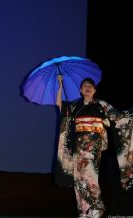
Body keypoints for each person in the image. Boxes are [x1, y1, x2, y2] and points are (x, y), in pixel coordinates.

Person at [55, 75, 133, 218]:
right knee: (79, 177)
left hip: (93, 146)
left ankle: (96, 206)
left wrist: (130, 115)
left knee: (90, 174)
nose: (88, 88)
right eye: (85, 86)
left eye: (90, 86)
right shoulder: (75, 106)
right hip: (78, 146)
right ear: (80, 90)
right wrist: (60, 84)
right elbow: (60, 105)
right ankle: (84, 210)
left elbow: (119, 117)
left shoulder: (101, 104)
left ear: (95, 90)